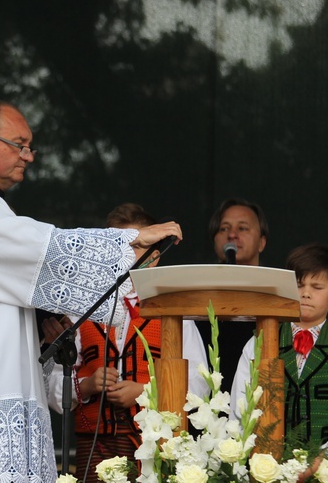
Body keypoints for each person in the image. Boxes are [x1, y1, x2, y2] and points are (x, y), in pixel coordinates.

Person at [0, 100, 182, 482]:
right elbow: (38, 248)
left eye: (29, 147)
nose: (27, 155)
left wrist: (44, 317)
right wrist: (132, 239)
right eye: (18, 144)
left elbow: (11, 276)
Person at [41, 203, 210, 477]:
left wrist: (144, 392)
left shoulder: (173, 313)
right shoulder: (83, 307)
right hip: (93, 446)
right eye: (114, 247)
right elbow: (52, 378)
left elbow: (199, 383)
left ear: (154, 256)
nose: (120, 256)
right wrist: (85, 386)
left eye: (131, 247)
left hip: (155, 444)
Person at [230, 243, 328, 481]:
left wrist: (322, 460)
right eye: (299, 285)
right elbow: (239, 408)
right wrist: (255, 457)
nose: (306, 293)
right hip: (266, 472)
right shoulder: (259, 342)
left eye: (317, 286)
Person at [199, 197, 269, 393]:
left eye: (243, 228)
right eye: (224, 229)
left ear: (262, 242)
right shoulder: (196, 293)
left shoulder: (276, 292)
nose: (232, 235)